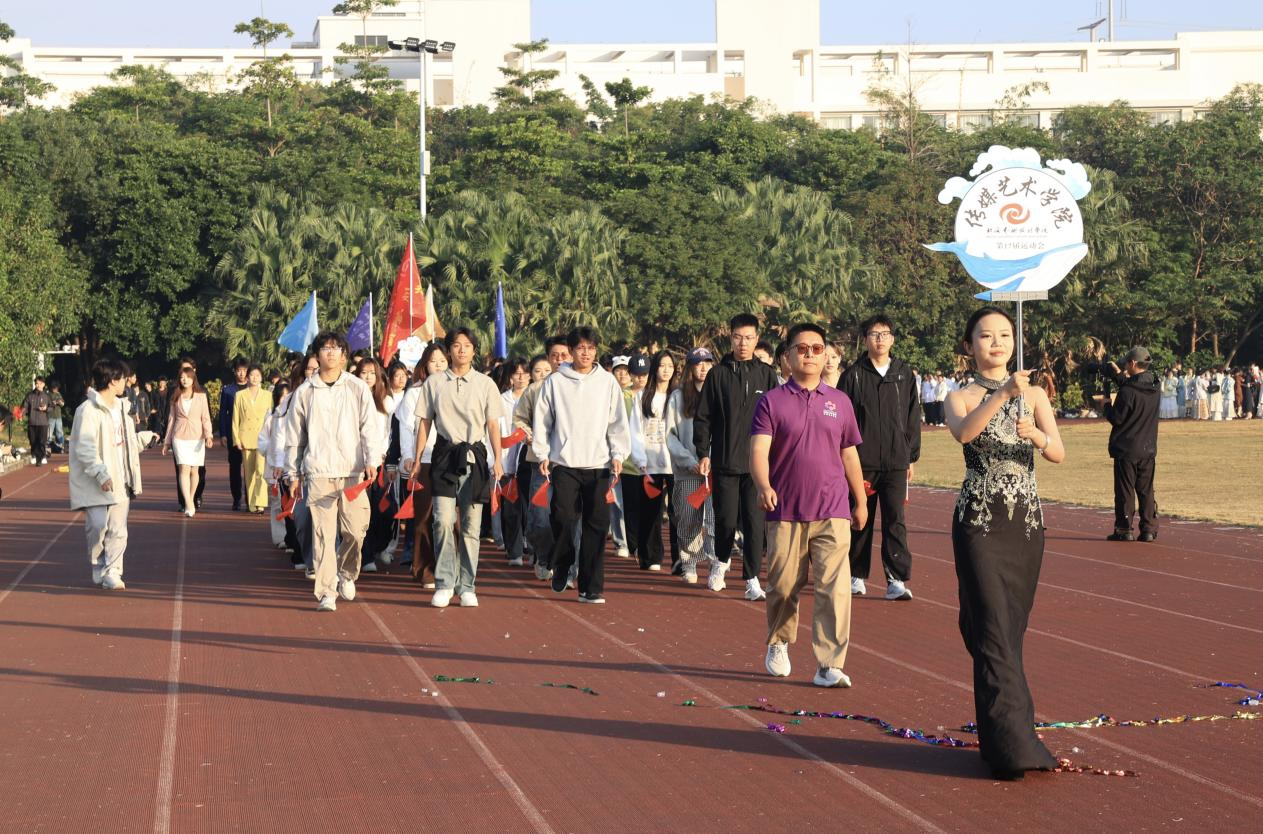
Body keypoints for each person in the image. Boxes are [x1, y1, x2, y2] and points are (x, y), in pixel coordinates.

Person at [944, 306, 1064, 781]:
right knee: (992, 627)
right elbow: (964, 433)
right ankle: (1015, 745)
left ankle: (999, 740)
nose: (997, 343)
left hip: (1025, 527)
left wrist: (1037, 434)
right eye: (986, 336)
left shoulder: (1035, 394)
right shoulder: (960, 396)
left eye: (1004, 335)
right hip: (979, 523)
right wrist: (1002, 395)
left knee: (1006, 631)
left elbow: (1058, 452)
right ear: (969, 345)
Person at [751, 322, 866, 688]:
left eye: (817, 349)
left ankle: (829, 664)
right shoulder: (771, 402)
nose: (811, 355)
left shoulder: (840, 402)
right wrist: (764, 485)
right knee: (783, 586)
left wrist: (860, 500)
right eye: (802, 349)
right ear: (788, 356)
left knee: (834, 589)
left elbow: (849, 453)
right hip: (785, 510)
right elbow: (758, 451)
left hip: (833, 509)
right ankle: (779, 640)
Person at [533, 326, 631, 604]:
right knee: (563, 517)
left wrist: (618, 454)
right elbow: (542, 421)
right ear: (571, 351)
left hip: (598, 465)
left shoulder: (607, 382)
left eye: (591, 348)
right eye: (580, 348)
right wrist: (543, 454)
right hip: (564, 463)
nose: (586, 353)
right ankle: (563, 563)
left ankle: (591, 587)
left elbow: (617, 422)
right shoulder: (555, 382)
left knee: (596, 526)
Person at [284, 332, 380, 613]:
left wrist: (372, 460)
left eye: (336, 348)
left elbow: (369, 427)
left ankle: (347, 573)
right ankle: (326, 591)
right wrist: (293, 473)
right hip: (319, 472)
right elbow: (295, 437)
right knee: (323, 535)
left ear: (344, 355)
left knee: (355, 531)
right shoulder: (305, 392)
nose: (330, 353)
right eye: (325, 348)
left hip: (352, 471)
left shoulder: (357, 387)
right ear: (317, 355)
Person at [411, 328, 504, 609]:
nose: (462, 350)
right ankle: (444, 582)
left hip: (475, 457)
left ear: (474, 350)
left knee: (471, 526)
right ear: (449, 350)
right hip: (444, 457)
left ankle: (467, 586)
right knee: (441, 520)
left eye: (467, 345)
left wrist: (498, 459)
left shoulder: (486, 384)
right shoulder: (434, 383)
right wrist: (417, 458)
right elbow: (425, 422)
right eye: (456, 345)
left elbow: (493, 424)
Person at [695, 313, 779, 600]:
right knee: (726, 520)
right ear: (730, 338)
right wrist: (702, 452)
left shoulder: (767, 375)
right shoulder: (717, 374)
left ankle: (752, 579)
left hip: (758, 465)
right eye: (738, 337)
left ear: (757, 339)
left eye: (749, 338)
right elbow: (703, 417)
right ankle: (720, 563)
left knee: (755, 524)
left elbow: (778, 420)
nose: (743, 343)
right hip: (725, 461)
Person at [840, 314, 921, 601]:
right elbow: (843, 420)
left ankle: (896, 579)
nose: (880, 339)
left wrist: (910, 457)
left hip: (896, 462)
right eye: (874, 334)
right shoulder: (853, 375)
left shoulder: (903, 373)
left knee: (895, 520)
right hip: (862, 463)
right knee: (860, 518)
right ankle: (855, 575)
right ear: (865, 340)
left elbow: (912, 417)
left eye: (885, 334)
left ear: (892, 339)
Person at [69, 359, 144, 591]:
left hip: (122, 477)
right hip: (96, 480)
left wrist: (143, 439)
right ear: (112, 381)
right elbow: (85, 447)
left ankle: (113, 571)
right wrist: (101, 474)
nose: (126, 382)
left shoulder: (123, 408)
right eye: (123, 378)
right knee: (98, 525)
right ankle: (98, 562)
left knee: (118, 529)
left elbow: (126, 442)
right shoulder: (87, 411)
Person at [514, 344, 571, 580]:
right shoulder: (535, 390)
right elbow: (519, 419)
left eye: (564, 355)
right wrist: (529, 435)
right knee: (540, 516)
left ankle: (567, 565)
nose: (559, 360)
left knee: (567, 517)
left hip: (571, 463)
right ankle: (543, 555)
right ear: (548, 358)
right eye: (554, 356)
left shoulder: (578, 388)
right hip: (540, 463)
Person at [396, 343, 449, 587]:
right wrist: (409, 456)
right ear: (425, 365)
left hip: (451, 460)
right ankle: (424, 569)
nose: (438, 365)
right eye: (433, 361)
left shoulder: (456, 388)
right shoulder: (414, 393)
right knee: (425, 516)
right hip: (424, 460)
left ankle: (449, 567)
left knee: (451, 518)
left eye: (442, 361)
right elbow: (407, 428)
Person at [1096, 347, 1161, 543]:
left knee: (1125, 491)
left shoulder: (1127, 391)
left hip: (1127, 448)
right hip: (1148, 447)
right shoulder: (1155, 386)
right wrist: (1118, 375)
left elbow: (1117, 418)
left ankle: (1124, 529)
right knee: (1146, 490)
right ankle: (1148, 529)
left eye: (1126, 363)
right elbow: (1134, 387)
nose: (1124, 366)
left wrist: (1106, 405)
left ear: (1132, 363)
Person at [666, 347, 718, 585]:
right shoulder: (678, 397)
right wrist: (688, 461)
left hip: (713, 472)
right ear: (689, 368)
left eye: (707, 362)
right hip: (688, 472)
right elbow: (670, 436)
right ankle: (689, 562)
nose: (703, 368)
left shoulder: (719, 393)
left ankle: (716, 563)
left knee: (715, 519)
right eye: (698, 363)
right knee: (688, 519)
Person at [627, 350, 678, 572]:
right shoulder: (642, 397)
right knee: (650, 511)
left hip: (675, 463)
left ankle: (680, 558)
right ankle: (650, 556)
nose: (666, 370)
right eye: (662, 365)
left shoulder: (678, 396)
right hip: (650, 463)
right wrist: (640, 458)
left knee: (677, 511)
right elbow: (635, 430)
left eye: (670, 366)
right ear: (654, 368)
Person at [355, 358, 395, 570]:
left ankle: (379, 546)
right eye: (364, 372)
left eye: (372, 373)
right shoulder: (352, 399)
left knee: (385, 510)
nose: (368, 377)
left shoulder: (386, 401)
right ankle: (366, 555)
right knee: (363, 511)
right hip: (358, 464)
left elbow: (389, 432)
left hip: (380, 463)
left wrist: (385, 455)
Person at [162, 364, 214, 518]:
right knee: (183, 468)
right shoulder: (175, 397)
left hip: (197, 437)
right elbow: (171, 419)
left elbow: (206, 417)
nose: (185, 380)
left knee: (194, 470)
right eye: (182, 377)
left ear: (193, 379)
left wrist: (209, 435)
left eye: (188, 377)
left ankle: (190, 498)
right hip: (179, 437)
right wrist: (167, 441)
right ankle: (188, 503)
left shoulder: (201, 396)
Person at [497, 357, 531, 567]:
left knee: (530, 508)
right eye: (517, 373)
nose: (521, 377)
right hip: (507, 460)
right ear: (510, 377)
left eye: (525, 373)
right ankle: (514, 551)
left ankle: (531, 546)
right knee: (511, 509)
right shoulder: (502, 400)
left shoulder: (536, 397)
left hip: (528, 459)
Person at [233, 364, 272, 513]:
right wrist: (236, 439)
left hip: (263, 438)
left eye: (258, 375)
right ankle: (251, 503)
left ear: (261, 378)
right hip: (246, 438)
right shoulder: (240, 395)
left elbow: (271, 417)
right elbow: (235, 419)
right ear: (247, 377)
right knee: (249, 473)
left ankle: (260, 502)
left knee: (261, 471)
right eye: (252, 375)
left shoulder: (268, 395)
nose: (255, 378)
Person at [258, 381, 292, 549]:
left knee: (290, 501)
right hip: (273, 467)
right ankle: (280, 536)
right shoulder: (271, 417)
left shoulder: (295, 416)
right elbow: (262, 439)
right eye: (281, 396)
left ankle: (291, 536)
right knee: (277, 502)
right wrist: (270, 449)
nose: (284, 400)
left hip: (290, 466)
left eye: (287, 396)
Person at [218, 358, 250, 510]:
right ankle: (236, 498)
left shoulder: (254, 389)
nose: (241, 373)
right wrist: (223, 434)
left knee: (250, 468)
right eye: (239, 370)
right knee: (235, 468)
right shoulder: (228, 390)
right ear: (235, 371)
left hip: (251, 434)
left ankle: (251, 498)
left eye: (244, 370)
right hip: (234, 434)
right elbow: (223, 413)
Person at [21, 376, 52, 465]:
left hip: (43, 423)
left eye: (39, 383)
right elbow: (24, 406)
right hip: (32, 422)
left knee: (42, 441)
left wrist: (46, 409)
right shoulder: (30, 395)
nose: (37, 385)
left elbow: (52, 407)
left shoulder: (47, 396)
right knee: (33, 441)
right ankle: (34, 455)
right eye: (36, 383)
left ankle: (42, 457)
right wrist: (22, 413)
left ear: (43, 384)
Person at [47, 380, 67, 453]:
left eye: (57, 388)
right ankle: (48, 446)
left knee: (59, 431)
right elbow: (46, 404)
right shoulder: (48, 394)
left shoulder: (58, 394)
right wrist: (52, 403)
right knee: (49, 432)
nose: (56, 389)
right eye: (54, 388)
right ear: (51, 387)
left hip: (58, 416)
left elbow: (63, 404)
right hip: (50, 416)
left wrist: (60, 402)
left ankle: (61, 445)